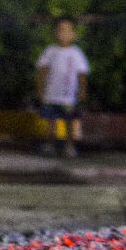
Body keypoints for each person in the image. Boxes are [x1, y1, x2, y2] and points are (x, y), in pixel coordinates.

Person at [36, 17, 90, 158]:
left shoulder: (76, 53)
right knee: (51, 121)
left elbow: (82, 73)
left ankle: (69, 146)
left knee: (70, 121)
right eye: (60, 30)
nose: (63, 33)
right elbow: (42, 70)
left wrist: (82, 90)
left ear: (73, 34)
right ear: (55, 33)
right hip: (51, 94)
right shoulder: (50, 51)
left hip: (68, 96)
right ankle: (50, 144)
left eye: (67, 30)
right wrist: (40, 89)